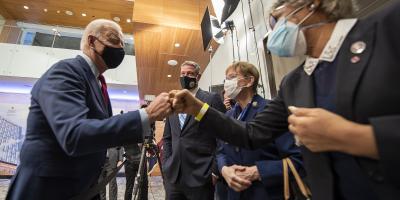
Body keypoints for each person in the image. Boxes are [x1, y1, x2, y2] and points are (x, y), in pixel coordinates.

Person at [171, 0, 400, 199]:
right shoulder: (294, 82)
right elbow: (250, 134)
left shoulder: (388, 28)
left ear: (312, 4)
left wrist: (355, 137)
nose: (275, 28)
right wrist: (198, 108)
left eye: (277, 17)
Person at [6, 19, 171, 200]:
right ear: (92, 42)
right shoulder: (66, 71)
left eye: (123, 43)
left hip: (81, 187)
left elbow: (99, 131)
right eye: (114, 40)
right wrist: (147, 114)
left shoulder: (98, 83)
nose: (120, 48)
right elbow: (74, 135)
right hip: (47, 190)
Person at [217, 61, 303, 199]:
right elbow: (220, 151)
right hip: (235, 194)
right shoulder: (228, 115)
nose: (227, 83)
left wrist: (258, 171)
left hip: (266, 193)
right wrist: (224, 169)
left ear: (249, 81)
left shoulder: (271, 111)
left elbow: (297, 159)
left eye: (232, 77)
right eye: (226, 79)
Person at [162, 61, 226, 200]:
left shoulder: (211, 99)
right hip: (174, 176)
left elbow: (222, 136)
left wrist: (215, 170)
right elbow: (168, 137)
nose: (186, 76)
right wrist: (166, 162)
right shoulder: (173, 101)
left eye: (190, 73)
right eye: (183, 74)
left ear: (198, 76)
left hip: (201, 175)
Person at [123, 107, 148, 200]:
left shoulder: (126, 131)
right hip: (134, 161)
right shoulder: (140, 128)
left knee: (132, 186)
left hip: (134, 161)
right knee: (141, 186)